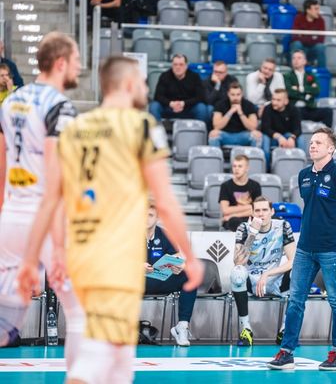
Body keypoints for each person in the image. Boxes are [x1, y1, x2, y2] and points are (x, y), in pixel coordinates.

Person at [17, 56, 204, 383]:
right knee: (95, 361)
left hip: (80, 252)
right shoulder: (141, 125)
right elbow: (165, 200)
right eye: (142, 83)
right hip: (116, 255)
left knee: (118, 362)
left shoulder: (75, 129)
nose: (145, 89)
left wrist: (50, 253)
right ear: (129, 84)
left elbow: (54, 199)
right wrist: (189, 256)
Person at [0, 32, 85, 372]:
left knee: (5, 321)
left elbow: (1, 168)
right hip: (43, 220)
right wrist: (58, 247)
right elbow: (56, 186)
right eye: (76, 60)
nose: (79, 66)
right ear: (60, 63)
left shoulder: (10, 101)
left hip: (10, 216)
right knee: (79, 312)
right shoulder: (60, 107)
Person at [267, 127, 336, 371]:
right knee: (295, 300)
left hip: (333, 248)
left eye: (319, 142)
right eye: (311, 142)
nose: (312, 145)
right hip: (305, 248)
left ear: (331, 148)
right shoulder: (303, 175)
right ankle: (286, 352)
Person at [231, 196, 296, 346]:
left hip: (275, 279)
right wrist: (252, 234)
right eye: (257, 211)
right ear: (252, 213)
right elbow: (238, 262)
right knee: (237, 272)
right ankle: (246, 329)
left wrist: (267, 274)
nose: (261, 214)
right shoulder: (244, 228)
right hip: (252, 280)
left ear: (272, 211)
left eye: (265, 210)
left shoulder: (283, 226)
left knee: (298, 273)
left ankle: (285, 331)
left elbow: (293, 261)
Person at [144, 199, 197, 346]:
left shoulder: (164, 235)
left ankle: (182, 327)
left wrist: (178, 267)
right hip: (135, 281)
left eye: (150, 215)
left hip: (158, 279)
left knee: (190, 278)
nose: (145, 218)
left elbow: (177, 257)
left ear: (157, 217)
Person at [149, 54, 211, 127]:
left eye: (181, 64)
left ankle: (198, 132)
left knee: (201, 108)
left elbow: (200, 97)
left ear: (186, 66)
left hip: (188, 108)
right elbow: (158, 96)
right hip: (168, 107)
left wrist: (183, 103)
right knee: (154, 106)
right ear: (172, 66)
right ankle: (158, 132)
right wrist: (170, 103)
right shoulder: (164, 76)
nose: (178, 67)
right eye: (175, 64)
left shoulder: (194, 77)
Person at [284, 50, 332, 127]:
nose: (296, 60)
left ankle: (325, 134)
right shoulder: (287, 76)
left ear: (305, 61)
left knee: (328, 112)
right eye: (294, 58)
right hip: (294, 108)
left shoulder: (311, 75)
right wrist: (307, 93)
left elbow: (316, 91)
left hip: (309, 107)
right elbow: (289, 92)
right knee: (296, 112)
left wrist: (300, 88)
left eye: (299, 58)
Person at [208, 82, 262, 148]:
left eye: (238, 94)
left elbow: (253, 127)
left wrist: (240, 113)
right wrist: (230, 112)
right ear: (228, 94)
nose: (235, 97)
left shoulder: (249, 105)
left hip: (243, 135)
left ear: (242, 94)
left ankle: (253, 155)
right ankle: (216, 155)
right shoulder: (220, 104)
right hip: (225, 134)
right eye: (233, 95)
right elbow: (217, 126)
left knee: (256, 136)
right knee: (213, 134)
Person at [261, 89, 304, 167]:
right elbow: (265, 128)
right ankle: (266, 168)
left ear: (286, 101)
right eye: (273, 99)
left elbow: (298, 129)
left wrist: (292, 138)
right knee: (265, 139)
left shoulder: (294, 110)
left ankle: (301, 167)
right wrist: (279, 137)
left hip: (287, 136)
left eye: (278, 100)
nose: (274, 102)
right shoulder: (267, 108)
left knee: (300, 138)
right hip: (272, 137)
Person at [219, 154, 261, 231]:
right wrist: (249, 206)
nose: (236, 169)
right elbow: (225, 210)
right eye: (234, 166)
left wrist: (233, 214)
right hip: (232, 221)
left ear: (247, 168)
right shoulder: (225, 186)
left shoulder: (255, 185)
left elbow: (257, 209)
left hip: (248, 218)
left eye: (240, 166)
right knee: (235, 222)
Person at [290, 0, 326, 67]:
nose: (318, 11)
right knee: (297, 44)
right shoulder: (298, 18)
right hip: (301, 47)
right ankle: (295, 69)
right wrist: (312, 37)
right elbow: (295, 37)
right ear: (308, 10)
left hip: (313, 48)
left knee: (320, 47)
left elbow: (321, 39)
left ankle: (322, 71)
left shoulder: (321, 20)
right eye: (316, 9)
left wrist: (304, 36)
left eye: (318, 9)